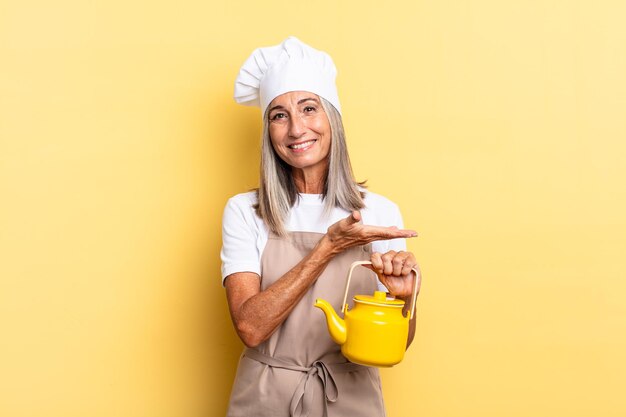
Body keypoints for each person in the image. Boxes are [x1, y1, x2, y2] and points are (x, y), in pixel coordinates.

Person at [221, 36, 421, 417]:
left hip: (349, 399)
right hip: (265, 399)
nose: (297, 129)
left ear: (332, 118)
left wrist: (404, 299)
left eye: (309, 108)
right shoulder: (245, 211)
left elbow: (397, 346)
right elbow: (250, 327)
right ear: (269, 132)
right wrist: (327, 248)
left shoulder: (379, 210)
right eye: (279, 115)